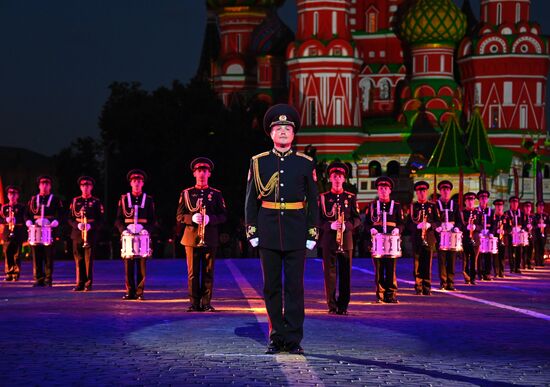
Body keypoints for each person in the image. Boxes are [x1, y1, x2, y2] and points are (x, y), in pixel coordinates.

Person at [245, 103, 319, 355]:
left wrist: (312, 231)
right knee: (272, 287)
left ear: (294, 133)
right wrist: (252, 230)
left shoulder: (305, 163)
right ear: (271, 133)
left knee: (295, 288)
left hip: (297, 232)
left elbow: (313, 201)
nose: (283, 131)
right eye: (278, 128)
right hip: (268, 231)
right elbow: (250, 200)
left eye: (288, 128)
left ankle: (294, 339)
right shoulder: (258, 162)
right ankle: (277, 337)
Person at [176, 157, 227, 312]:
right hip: (191, 238)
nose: (202, 174)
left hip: (210, 237)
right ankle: (193, 303)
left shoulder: (216, 194)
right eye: (199, 171)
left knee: (208, 272)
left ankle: (206, 303)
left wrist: (210, 218)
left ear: (209, 174)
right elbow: (179, 216)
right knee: (192, 273)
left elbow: (224, 216)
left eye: (205, 171)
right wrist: (191, 218)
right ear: (194, 174)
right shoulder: (186, 193)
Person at [319, 162, 360, 315]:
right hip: (329, 241)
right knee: (329, 275)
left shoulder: (350, 197)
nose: (337, 179)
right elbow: (317, 220)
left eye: (340, 177)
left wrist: (347, 226)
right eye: (335, 176)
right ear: (330, 178)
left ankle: (343, 306)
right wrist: (329, 226)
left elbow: (357, 219)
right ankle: (331, 305)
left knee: (345, 275)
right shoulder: (323, 198)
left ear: (344, 179)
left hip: (346, 241)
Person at [115, 169, 156, 300]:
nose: (136, 183)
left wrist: (147, 230)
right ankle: (130, 291)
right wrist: (123, 230)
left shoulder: (148, 200)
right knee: (128, 264)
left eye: (139, 181)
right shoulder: (123, 199)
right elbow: (118, 219)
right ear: (130, 183)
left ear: (142, 183)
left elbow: (153, 219)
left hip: (142, 234)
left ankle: (140, 292)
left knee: (142, 264)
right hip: (128, 234)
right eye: (134, 181)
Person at [365, 176, 404, 303]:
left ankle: (391, 295)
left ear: (390, 190)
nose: (383, 191)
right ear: (377, 190)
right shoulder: (372, 206)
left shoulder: (397, 206)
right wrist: (371, 229)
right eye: (381, 188)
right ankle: (380, 295)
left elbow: (402, 223)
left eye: (386, 188)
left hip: (392, 243)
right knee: (379, 269)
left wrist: (398, 229)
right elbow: (366, 224)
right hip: (377, 242)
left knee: (391, 269)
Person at [25, 175, 63, 287]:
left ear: (50, 186)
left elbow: (61, 213)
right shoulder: (33, 199)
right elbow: (26, 213)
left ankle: (48, 278)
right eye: (42, 183)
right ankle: (38, 278)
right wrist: (28, 221)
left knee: (48, 255)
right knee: (36, 255)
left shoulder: (55, 199)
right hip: (36, 228)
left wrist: (56, 221)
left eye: (47, 183)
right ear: (39, 185)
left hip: (49, 227)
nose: (44, 185)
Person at [68, 176, 104, 291]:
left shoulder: (96, 202)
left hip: (91, 233)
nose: (85, 188)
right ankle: (79, 283)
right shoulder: (75, 201)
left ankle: (88, 283)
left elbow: (101, 220)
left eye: (88, 185)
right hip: (77, 233)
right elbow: (69, 218)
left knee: (89, 260)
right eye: (83, 185)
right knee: (79, 259)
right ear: (80, 187)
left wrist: (91, 226)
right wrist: (76, 225)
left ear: (91, 187)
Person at [408, 181, 437, 295]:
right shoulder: (413, 206)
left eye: (424, 191)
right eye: (419, 191)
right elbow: (408, 224)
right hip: (417, 238)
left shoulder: (432, 206)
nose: (422, 193)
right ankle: (418, 285)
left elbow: (438, 221)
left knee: (427, 262)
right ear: (416, 193)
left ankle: (427, 285)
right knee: (417, 262)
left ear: (427, 192)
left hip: (429, 237)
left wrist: (431, 225)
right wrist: (416, 226)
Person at [434, 180, 462, 291]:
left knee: (452, 259)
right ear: (440, 191)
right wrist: (437, 226)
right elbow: (433, 219)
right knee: (442, 260)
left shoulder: (455, 205)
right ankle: (443, 282)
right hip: (440, 235)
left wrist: (457, 227)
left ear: (450, 191)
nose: (445, 191)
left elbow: (459, 221)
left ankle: (450, 282)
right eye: (443, 189)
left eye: (447, 190)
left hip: (452, 236)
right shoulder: (435, 205)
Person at [0, 186, 26, 281]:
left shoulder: (22, 207)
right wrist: (5, 219)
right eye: (10, 194)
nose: (12, 196)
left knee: (17, 254)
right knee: (7, 253)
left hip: (18, 231)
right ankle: (9, 273)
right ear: (7, 195)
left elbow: (25, 219)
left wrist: (17, 219)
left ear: (17, 196)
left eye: (14, 194)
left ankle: (16, 273)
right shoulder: (4, 207)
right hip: (7, 232)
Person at [460, 192, 480, 285]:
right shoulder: (462, 213)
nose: (470, 202)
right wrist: (465, 228)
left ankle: (473, 277)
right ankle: (466, 275)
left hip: (475, 239)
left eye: (472, 200)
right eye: (468, 200)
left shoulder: (478, 212)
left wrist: (476, 227)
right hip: (465, 238)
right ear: (465, 202)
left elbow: (481, 225)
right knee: (465, 259)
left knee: (474, 258)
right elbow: (460, 224)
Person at [476, 190, 494, 281]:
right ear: (479, 200)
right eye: (482, 198)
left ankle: (487, 273)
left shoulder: (491, 211)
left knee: (488, 254)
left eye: (485, 198)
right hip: (479, 235)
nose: (483, 200)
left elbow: (494, 224)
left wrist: (492, 232)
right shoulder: (476, 211)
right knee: (479, 255)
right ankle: (479, 273)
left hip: (488, 235)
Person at [506, 196, 523, 274]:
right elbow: (505, 224)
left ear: (518, 204)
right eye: (513, 202)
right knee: (511, 251)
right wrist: (510, 229)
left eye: (516, 202)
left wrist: (522, 227)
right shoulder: (507, 213)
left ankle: (518, 267)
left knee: (518, 251)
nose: (514, 204)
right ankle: (512, 267)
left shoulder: (521, 213)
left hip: (519, 235)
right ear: (510, 204)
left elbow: (525, 223)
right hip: (511, 235)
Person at [490, 199, 508, 278]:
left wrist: (505, 231)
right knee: (495, 256)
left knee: (502, 256)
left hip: (503, 239)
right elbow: (491, 227)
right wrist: (495, 231)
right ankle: (496, 272)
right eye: (497, 206)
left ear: (503, 206)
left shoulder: (506, 217)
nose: (499, 207)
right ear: (495, 207)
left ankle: (502, 271)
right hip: (495, 239)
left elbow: (510, 227)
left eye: (500, 206)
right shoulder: (493, 217)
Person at [533, 201, 548, 267]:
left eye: (542, 206)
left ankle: (541, 261)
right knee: (537, 248)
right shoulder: (534, 216)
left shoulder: (546, 215)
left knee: (542, 247)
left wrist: (545, 225)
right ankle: (537, 262)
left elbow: (548, 223)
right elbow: (532, 225)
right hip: (536, 234)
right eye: (539, 206)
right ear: (537, 207)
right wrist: (537, 226)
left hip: (543, 234)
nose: (541, 207)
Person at [521, 201, 535, 270]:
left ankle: (529, 263)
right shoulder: (522, 216)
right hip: (524, 235)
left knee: (530, 250)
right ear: (524, 208)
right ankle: (524, 264)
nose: (527, 208)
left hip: (531, 235)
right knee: (524, 250)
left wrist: (532, 226)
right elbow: (520, 225)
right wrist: (525, 227)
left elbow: (535, 225)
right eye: (526, 207)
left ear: (531, 208)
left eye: (529, 207)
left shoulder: (532, 216)